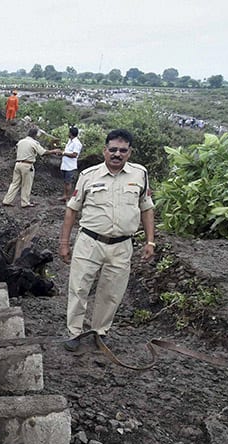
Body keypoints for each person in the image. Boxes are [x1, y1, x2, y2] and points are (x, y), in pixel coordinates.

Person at [59, 128, 156, 351]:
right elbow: (71, 210)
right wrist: (64, 243)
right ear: (105, 151)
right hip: (89, 242)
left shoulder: (140, 174)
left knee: (111, 292)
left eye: (123, 150)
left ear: (129, 152)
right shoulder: (88, 176)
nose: (117, 154)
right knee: (79, 287)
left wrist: (150, 241)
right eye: (113, 149)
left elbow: (147, 208)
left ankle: (100, 332)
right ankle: (74, 332)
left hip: (122, 245)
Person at [2, 127, 61, 208]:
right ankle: (25, 203)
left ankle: (7, 200)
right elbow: (43, 152)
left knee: (14, 183)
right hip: (27, 165)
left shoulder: (21, 141)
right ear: (35, 135)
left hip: (18, 164)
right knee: (26, 184)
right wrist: (54, 151)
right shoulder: (34, 143)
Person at [60, 126, 83, 202]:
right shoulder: (70, 141)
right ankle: (65, 196)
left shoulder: (77, 143)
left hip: (70, 166)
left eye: (69, 132)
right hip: (65, 165)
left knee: (68, 182)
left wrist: (63, 153)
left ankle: (68, 197)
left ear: (71, 133)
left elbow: (74, 154)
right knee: (65, 182)